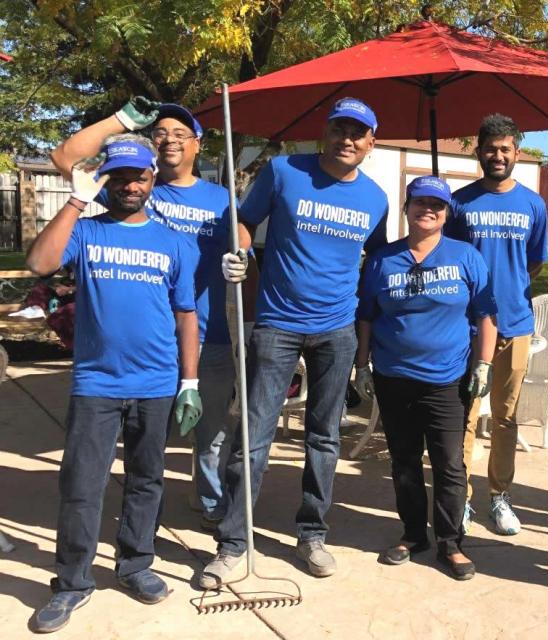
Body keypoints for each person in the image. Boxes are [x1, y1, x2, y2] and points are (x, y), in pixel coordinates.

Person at [201, 97, 389, 587]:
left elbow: (376, 257)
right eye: (339, 129)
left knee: (324, 436)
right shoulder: (284, 172)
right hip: (277, 325)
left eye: (358, 132)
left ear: (371, 143)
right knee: (254, 436)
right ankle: (233, 542)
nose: (347, 139)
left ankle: (311, 534)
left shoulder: (376, 198)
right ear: (324, 132)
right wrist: (240, 253)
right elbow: (242, 221)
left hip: (337, 330)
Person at [26, 136, 200, 633]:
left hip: (157, 383)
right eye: (119, 177)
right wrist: (77, 198)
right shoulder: (86, 231)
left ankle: (135, 564)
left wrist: (189, 381)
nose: (129, 185)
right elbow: (40, 264)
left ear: (152, 181)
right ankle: (74, 581)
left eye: (139, 176)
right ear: (107, 181)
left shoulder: (174, 242)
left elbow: (186, 315)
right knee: (82, 484)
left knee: (147, 481)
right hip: (96, 382)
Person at [50, 98, 246, 531]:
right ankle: (141, 525)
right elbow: (64, 157)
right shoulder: (131, 185)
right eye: (160, 132)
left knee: (211, 434)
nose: (169, 139)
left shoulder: (219, 198)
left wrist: (243, 256)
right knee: (144, 446)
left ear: (198, 144)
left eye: (180, 133)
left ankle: (211, 505)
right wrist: (120, 121)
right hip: (138, 347)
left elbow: (243, 237)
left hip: (205, 333)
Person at [355, 176, 497, 580]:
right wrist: (362, 365)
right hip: (393, 376)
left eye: (437, 204)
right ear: (407, 208)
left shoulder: (466, 257)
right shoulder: (384, 260)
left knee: (450, 463)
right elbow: (366, 316)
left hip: (447, 381)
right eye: (420, 203)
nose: (428, 210)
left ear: (447, 212)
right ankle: (414, 535)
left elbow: (485, 316)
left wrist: (482, 364)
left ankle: (451, 544)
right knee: (403, 461)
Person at [445, 113, 548, 536]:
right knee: (464, 416)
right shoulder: (460, 202)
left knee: (505, 418)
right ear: (479, 151)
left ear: (517, 153)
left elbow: (536, 261)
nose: (498, 155)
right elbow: (446, 256)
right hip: (466, 329)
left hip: (515, 325)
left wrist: (509, 287)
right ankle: (461, 498)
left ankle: (499, 496)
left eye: (506, 148)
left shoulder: (533, 204)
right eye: (491, 148)